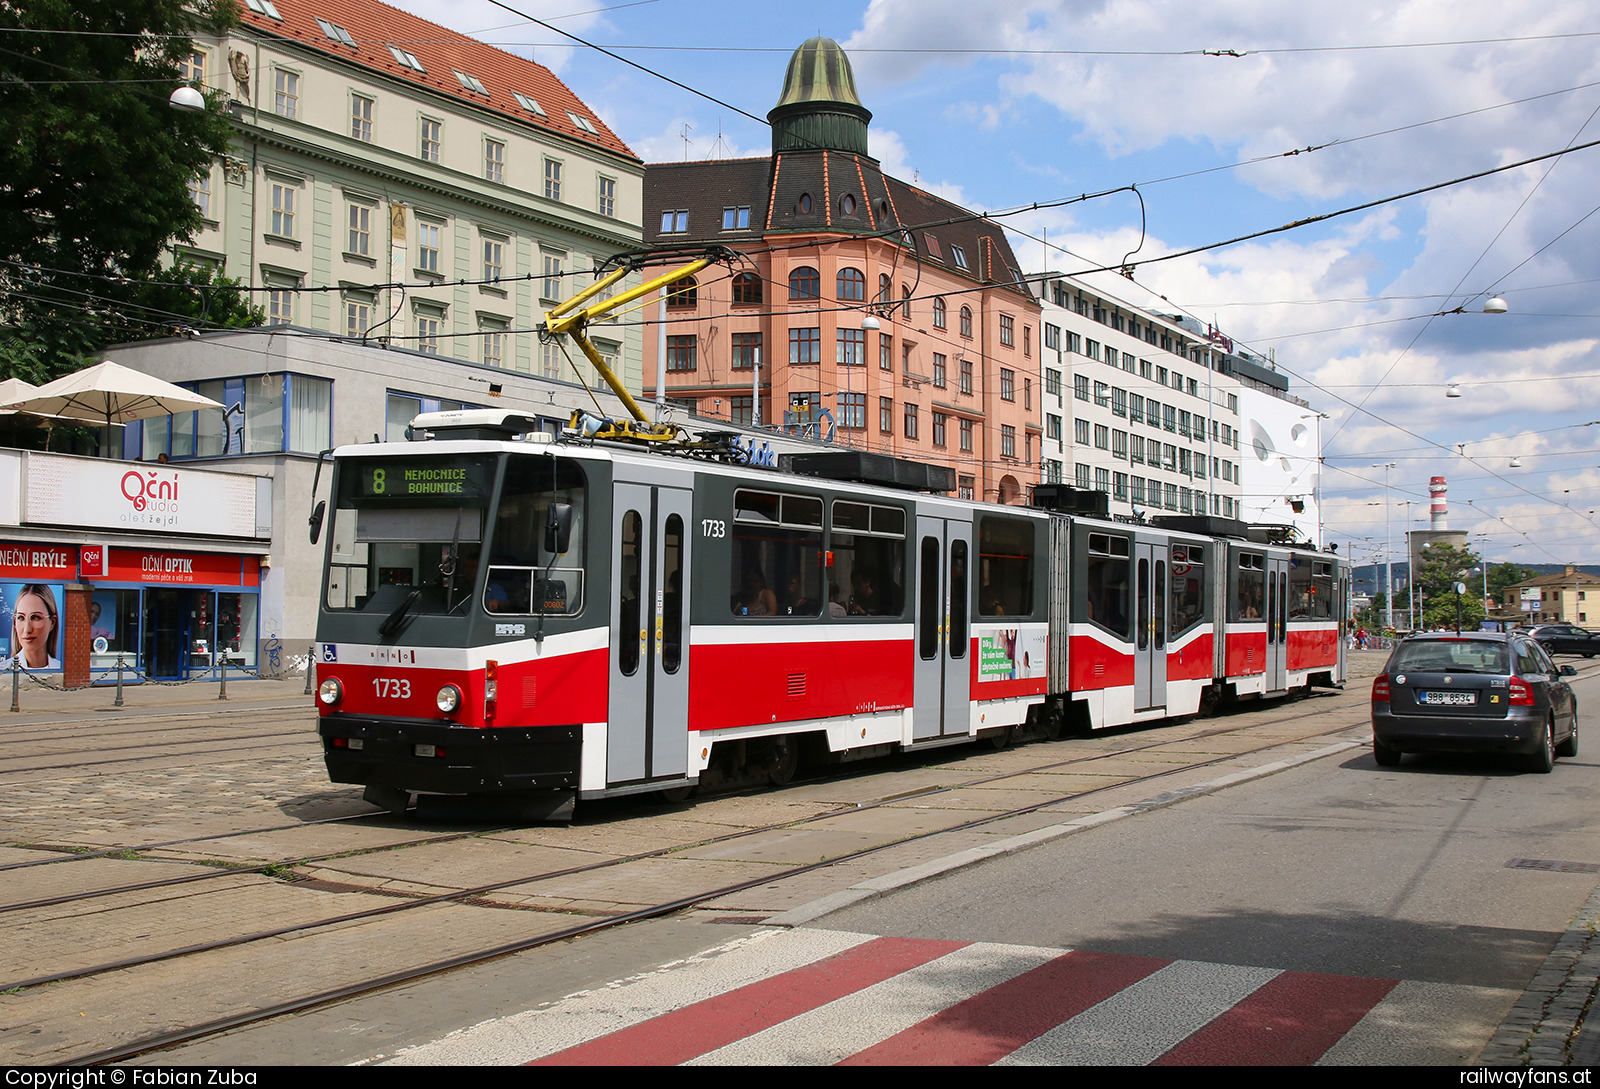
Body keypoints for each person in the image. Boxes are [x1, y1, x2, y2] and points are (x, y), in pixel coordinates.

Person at [6, 584, 59, 671]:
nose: (27, 629)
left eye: (36, 617)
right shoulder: (3, 668)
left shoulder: (60, 668)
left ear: (52, 622)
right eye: (21, 618)